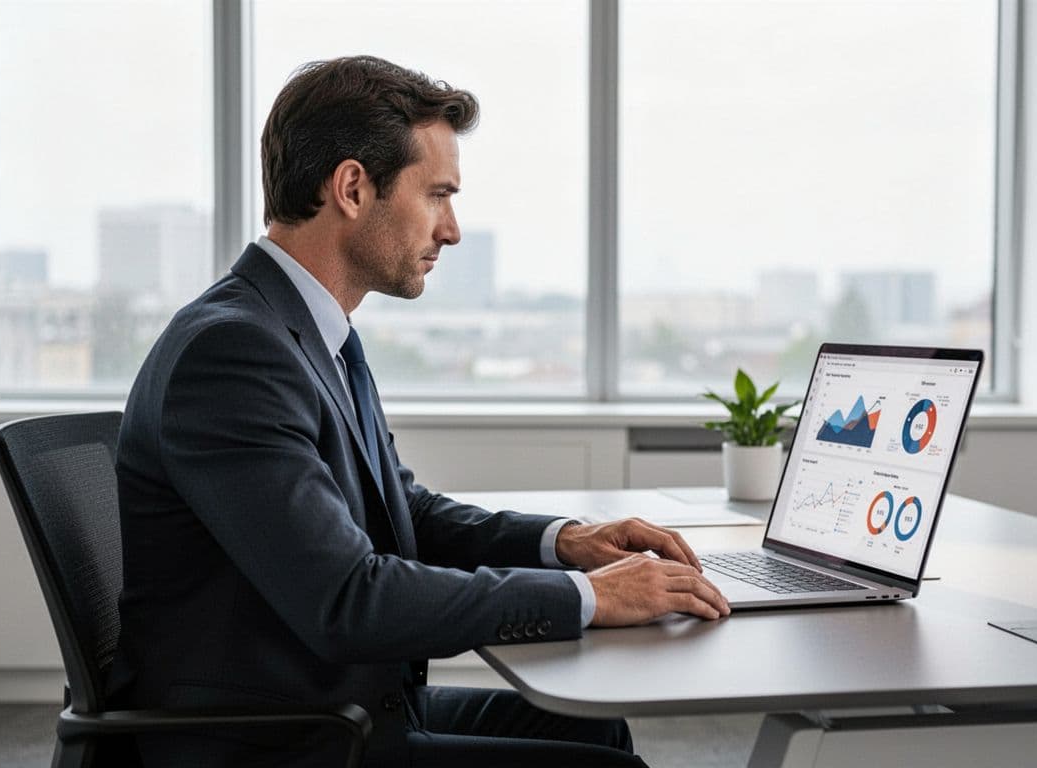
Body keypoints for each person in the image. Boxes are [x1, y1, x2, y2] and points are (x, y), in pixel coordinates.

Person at [107, 55, 730, 768]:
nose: (453, 229)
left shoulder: (308, 332)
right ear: (351, 188)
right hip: (268, 739)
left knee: (592, 729)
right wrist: (584, 598)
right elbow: (348, 599)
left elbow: (402, 513)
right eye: (437, 194)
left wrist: (564, 543)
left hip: (329, 704)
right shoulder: (234, 352)